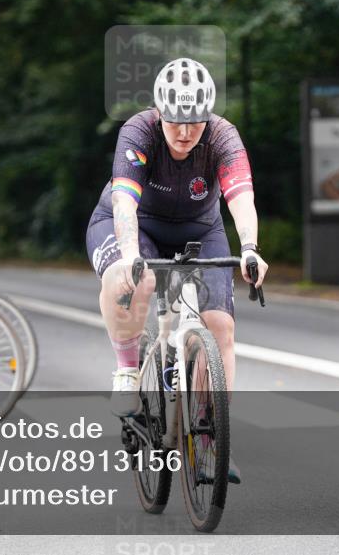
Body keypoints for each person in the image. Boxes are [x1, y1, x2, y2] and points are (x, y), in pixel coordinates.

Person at [86, 57, 269, 484]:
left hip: (199, 229)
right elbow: (125, 201)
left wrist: (251, 248)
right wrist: (131, 253)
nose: (185, 133)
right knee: (134, 279)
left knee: (220, 326)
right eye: (175, 123)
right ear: (159, 113)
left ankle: (209, 441)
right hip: (135, 225)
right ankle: (128, 371)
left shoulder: (223, 136)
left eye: (195, 122)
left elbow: (240, 196)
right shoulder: (138, 131)